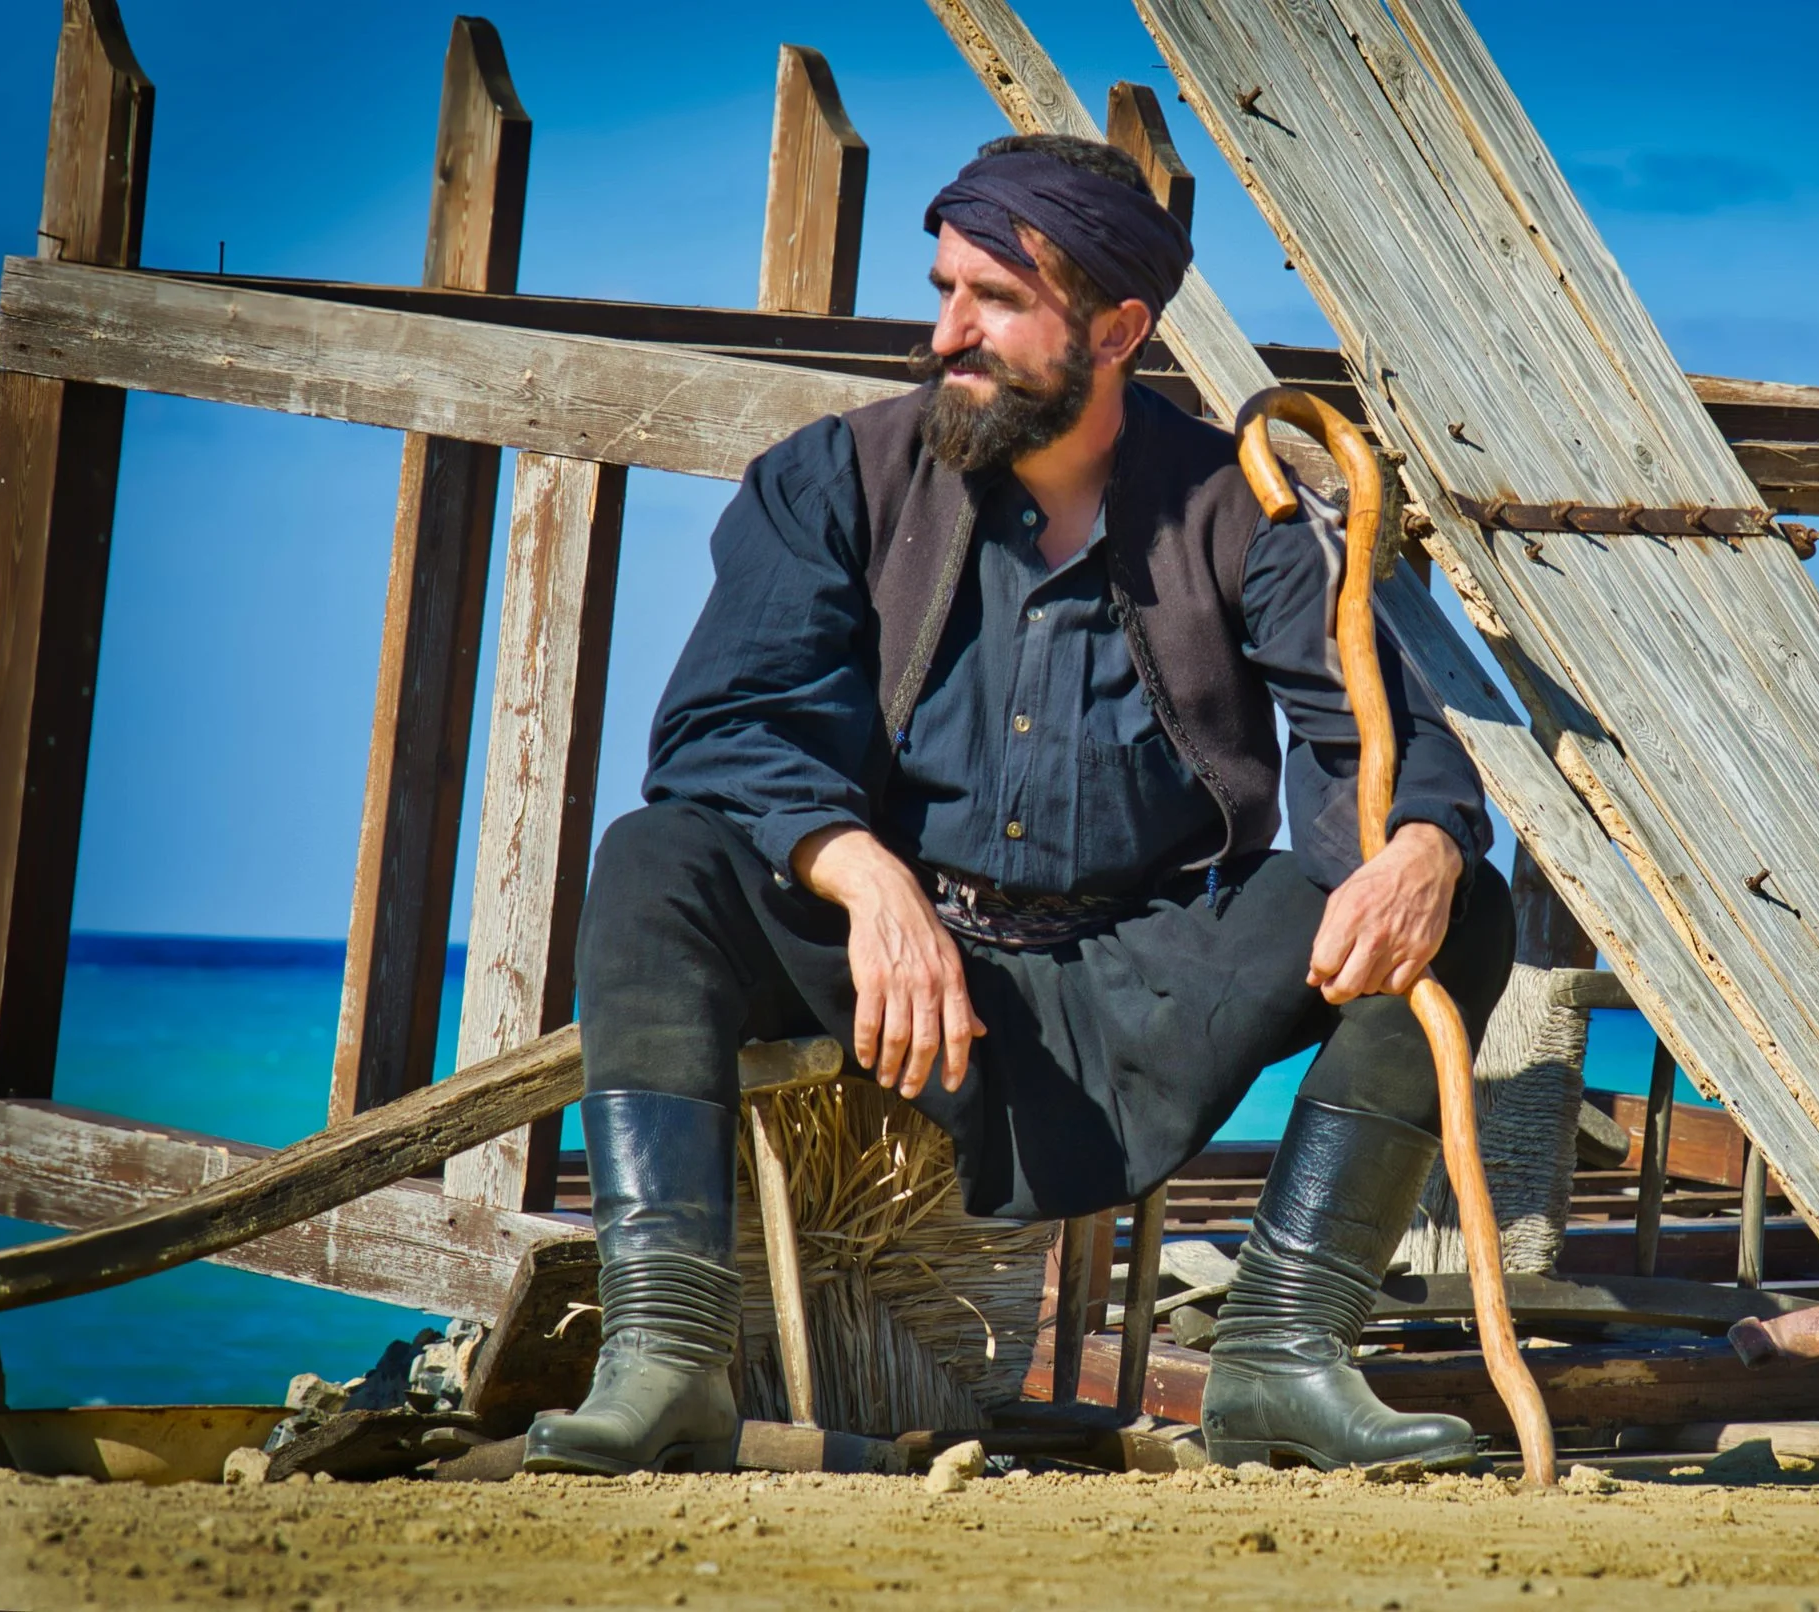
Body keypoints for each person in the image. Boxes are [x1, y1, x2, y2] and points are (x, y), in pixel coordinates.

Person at [522, 133, 1512, 1477]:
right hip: (901, 960)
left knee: (1453, 904)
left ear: (1118, 327)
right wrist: (865, 880)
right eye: (945, 290)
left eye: (995, 299)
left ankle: (1281, 1356)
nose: (948, 334)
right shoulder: (835, 480)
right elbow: (723, 729)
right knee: (656, 864)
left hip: (1150, 966)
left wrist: (1419, 847)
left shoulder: (1243, 509)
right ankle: (666, 1357)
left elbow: (1380, 736)